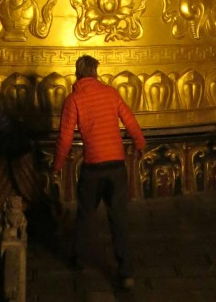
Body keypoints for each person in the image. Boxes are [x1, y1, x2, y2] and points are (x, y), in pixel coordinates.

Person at [53, 55, 146, 290]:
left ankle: (79, 262)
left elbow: (64, 138)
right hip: (116, 167)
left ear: (77, 73)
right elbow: (129, 119)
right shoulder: (111, 93)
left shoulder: (73, 99)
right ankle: (126, 273)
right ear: (95, 72)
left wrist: (57, 165)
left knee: (85, 217)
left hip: (92, 168)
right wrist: (140, 143)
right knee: (119, 219)